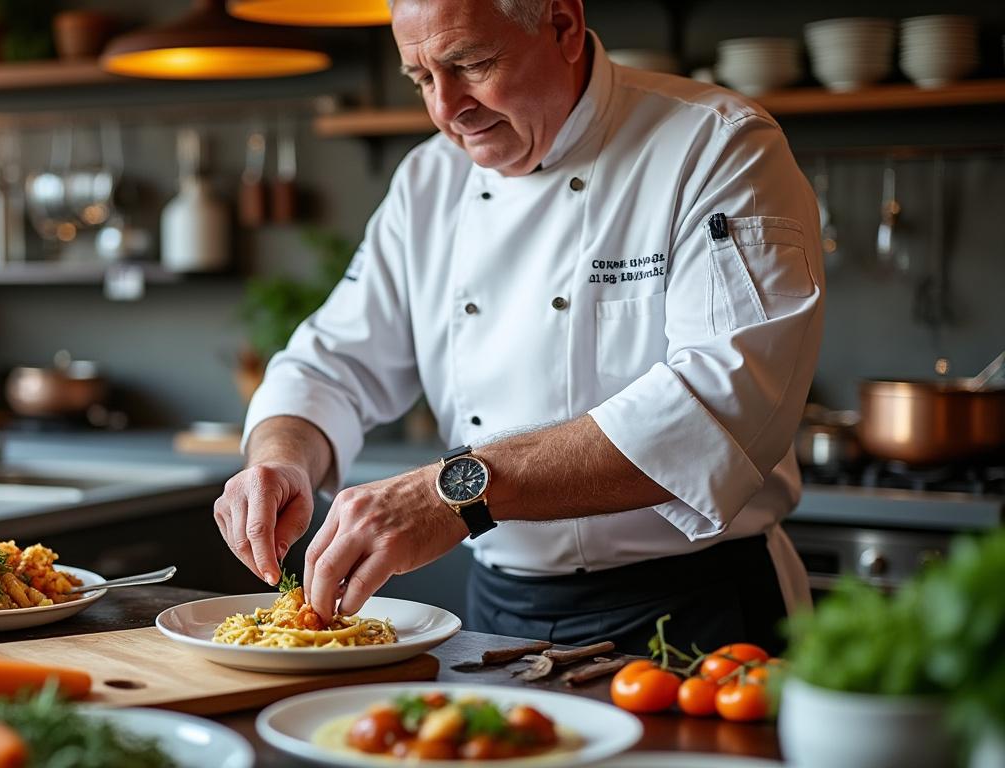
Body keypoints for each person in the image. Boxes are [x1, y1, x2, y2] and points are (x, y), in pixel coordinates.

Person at [212, 0, 824, 653]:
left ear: (562, 26)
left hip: (701, 613)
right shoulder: (428, 180)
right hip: (499, 616)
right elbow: (331, 364)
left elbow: (722, 403)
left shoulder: (717, 144)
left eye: (471, 64)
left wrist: (454, 493)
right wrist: (279, 460)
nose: (447, 108)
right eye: (420, 78)